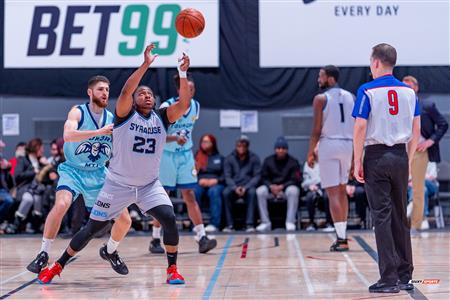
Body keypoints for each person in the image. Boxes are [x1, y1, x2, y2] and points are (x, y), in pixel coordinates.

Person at [38, 44, 190, 285]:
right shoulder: (124, 115)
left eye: (150, 93)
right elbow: (128, 90)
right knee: (92, 229)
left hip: (149, 185)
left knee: (169, 219)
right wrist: (145, 65)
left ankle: (172, 270)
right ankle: (57, 265)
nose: (147, 95)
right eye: (142, 93)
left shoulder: (162, 117)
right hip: (117, 184)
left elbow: (183, 104)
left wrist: (182, 74)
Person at [27, 76, 131, 275]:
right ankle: (43, 253)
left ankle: (110, 251)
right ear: (90, 92)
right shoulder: (78, 112)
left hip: (100, 173)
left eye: (107, 90)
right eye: (100, 89)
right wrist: (99, 132)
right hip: (73, 171)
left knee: (125, 219)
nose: (105, 93)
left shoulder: (113, 118)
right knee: (62, 205)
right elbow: (68, 136)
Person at [353, 43, 420, 293]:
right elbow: (416, 131)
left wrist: (356, 160)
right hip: (400, 157)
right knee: (400, 216)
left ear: (377, 62)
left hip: (376, 156)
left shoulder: (366, 90)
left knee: (381, 217)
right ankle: (405, 275)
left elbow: (360, 127)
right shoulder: (409, 92)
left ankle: (388, 278)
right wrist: (409, 160)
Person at [149, 73, 217, 254]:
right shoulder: (166, 106)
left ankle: (201, 237)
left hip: (185, 156)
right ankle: (155, 238)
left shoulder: (196, 106)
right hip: (167, 156)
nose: (191, 91)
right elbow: (157, 135)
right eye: (188, 88)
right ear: (180, 89)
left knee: (190, 195)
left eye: (193, 88)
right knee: (162, 198)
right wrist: (174, 138)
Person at [306, 65, 354, 251]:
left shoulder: (320, 99)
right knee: (342, 192)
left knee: (333, 193)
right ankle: (343, 235)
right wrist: (357, 156)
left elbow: (316, 130)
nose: (319, 80)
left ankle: (341, 239)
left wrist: (310, 152)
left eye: (321, 76)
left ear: (331, 79)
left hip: (329, 144)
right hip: (348, 144)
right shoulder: (352, 97)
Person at [402, 76, 448, 233]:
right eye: (404, 86)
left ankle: (416, 224)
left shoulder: (427, 105)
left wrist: (430, 141)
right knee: (398, 187)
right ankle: (399, 223)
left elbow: (443, 124)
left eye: (409, 86)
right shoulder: (398, 107)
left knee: (417, 188)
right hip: (401, 150)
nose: (407, 89)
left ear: (416, 88)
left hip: (419, 151)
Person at [256, 136, 301, 232]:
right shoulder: (268, 161)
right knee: (260, 191)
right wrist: (270, 186)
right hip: (271, 191)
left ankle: (290, 222)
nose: (280, 150)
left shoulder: (293, 162)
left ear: (286, 150)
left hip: (285, 190)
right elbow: (263, 177)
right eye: (278, 148)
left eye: (283, 148)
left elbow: (296, 179)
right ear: (275, 149)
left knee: (294, 190)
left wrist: (282, 186)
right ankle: (265, 222)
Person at [223, 135, 261, 232]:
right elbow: (227, 176)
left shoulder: (254, 158)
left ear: (247, 146)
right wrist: (234, 188)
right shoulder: (229, 158)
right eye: (239, 145)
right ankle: (229, 225)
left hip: (248, 187)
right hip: (233, 187)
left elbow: (257, 176)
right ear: (236, 146)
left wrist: (246, 187)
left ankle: (250, 224)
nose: (241, 148)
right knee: (225, 193)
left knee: (253, 193)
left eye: (244, 145)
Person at [193, 134, 225, 233]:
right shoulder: (197, 156)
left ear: (213, 143)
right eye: (203, 141)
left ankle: (214, 224)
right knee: (194, 191)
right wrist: (198, 180)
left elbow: (225, 174)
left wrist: (216, 181)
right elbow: (191, 173)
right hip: (200, 182)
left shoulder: (220, 158)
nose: (204, 144)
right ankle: (197, 224)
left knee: (214, 192)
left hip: (216, 183)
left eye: (207, 142)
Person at [302, 160, 333, 231]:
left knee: (327, 196)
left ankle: (329, 222)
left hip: (327, 187)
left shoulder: (330, 161)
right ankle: (311, 223)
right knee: (309, 197)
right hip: (313, 187)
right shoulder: (308, 163)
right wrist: (310, 185)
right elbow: (305, 181)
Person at [0, 140, 14, 227]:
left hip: (3, 189)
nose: (1, 149)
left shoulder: (2, 158)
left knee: (10, 200)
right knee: (8, 200)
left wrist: (8, 166)